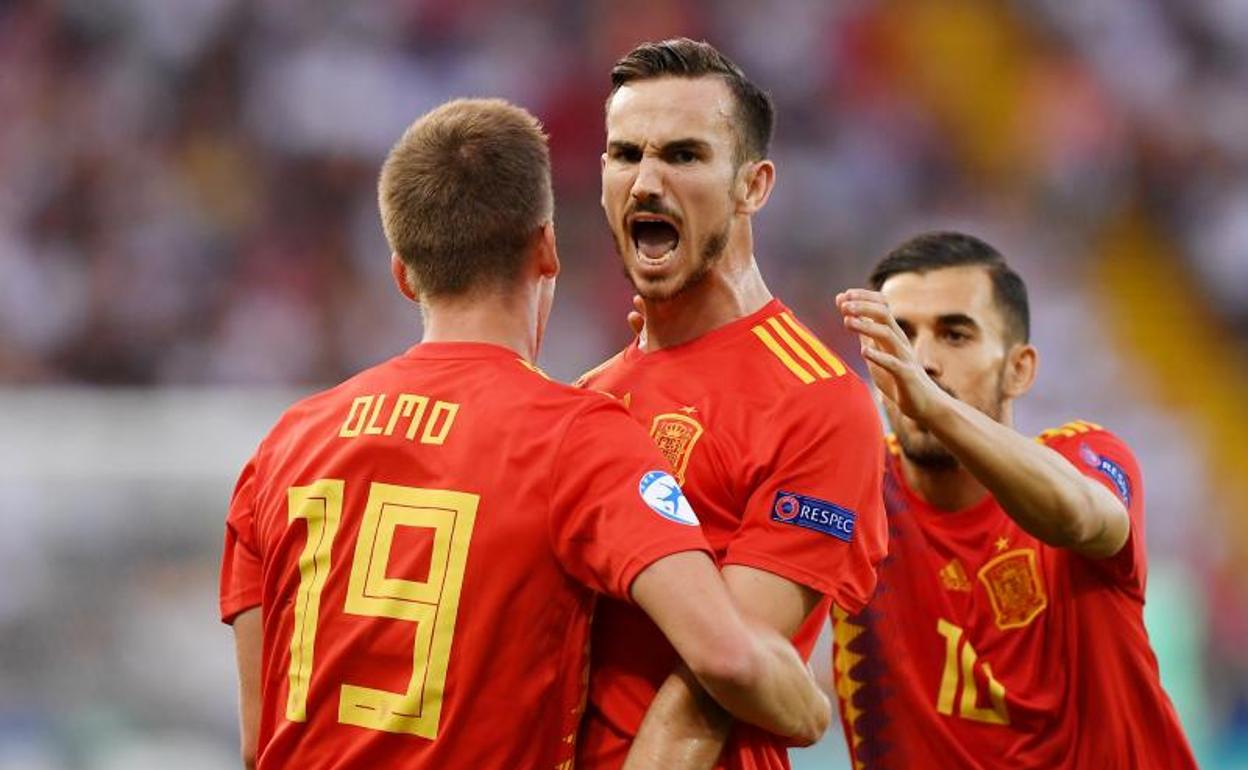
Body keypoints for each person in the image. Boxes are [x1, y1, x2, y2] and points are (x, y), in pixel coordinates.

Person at [218, 98, 831, 770]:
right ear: (546, 249)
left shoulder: (283, 448)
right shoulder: (575, 438)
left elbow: (258, 740)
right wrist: (807, 709)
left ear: (402, 274)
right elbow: (726, 655)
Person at [574, 39, 887, 770]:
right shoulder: (588, 397)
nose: (646, 182)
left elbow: (709, 691)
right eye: (626, 155)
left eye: (683, 156)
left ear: (754, 186)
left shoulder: (816, 403)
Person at [832, 231, 1199, 769]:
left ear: (1019, 368)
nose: (922, 361)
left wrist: (933, 407)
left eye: (955, 335)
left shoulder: (1086, 457)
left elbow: (1079, 518)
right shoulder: (848, 488)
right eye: (898, 334)